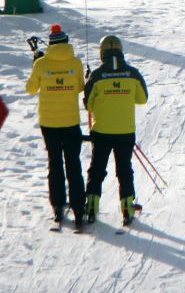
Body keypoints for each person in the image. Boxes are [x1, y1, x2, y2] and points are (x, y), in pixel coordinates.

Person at [26, 24, 87, 230]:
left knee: (55, 163)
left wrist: (36, 65)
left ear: (50, 43)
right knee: (73, 164)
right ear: (66, 42)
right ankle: (79, 208)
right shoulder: (76, 63)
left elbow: (30, 88)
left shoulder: (41, 64)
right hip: (70, 122)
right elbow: (79, 87)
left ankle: (57, 205)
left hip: (49, 123)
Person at [83, 35, 148, 226]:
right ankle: (127, 207)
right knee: (124, 169)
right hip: (125, 131)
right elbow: (142, 99)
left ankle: (92, 206)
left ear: (102, 53)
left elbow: (88, 104)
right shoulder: (132, 73)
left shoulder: (97, 75)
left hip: (102, 130)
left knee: (97, 169)